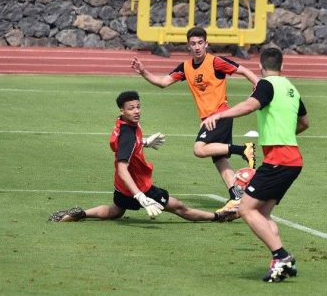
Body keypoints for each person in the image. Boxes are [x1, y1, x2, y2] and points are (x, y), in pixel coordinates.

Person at [201, 48, 309, 282]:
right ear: (283, 65)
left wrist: (219, 116)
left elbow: (249, 106)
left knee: (245, 209)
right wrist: (283, 132)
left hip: (279, 160)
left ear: (261, 67)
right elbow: (304, 123)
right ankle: (280, 264)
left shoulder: (266, 84)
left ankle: (281, 256)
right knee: (262, 213)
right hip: (291, 159)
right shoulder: (290, 87)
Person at [48, 91, 237, 223]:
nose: (137, 111)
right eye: (131, 108)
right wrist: (140, 196)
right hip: (138, 186)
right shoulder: (129, 135)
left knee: (115, 211)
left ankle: (81, 213)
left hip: (122, 188)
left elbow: (119, 146)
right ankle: (218, 217)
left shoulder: (123, 125)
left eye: (138, 107)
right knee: (179, 207)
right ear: (122, 110)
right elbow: (123, 167)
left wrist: (145, 142)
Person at [131, 27, 259, 213]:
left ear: (206, 44)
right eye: (193, 44)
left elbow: (243, 70)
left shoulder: (215, 62)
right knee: (220, 160)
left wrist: (258, 85)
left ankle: (244, 149)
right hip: (209, 118)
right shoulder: (186, 67)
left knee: (199, 149)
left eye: (200, 43)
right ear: (188, 46)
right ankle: (236, 196)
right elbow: (163, 82)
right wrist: (143, 71)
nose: (197, 47)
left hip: (219, 116)